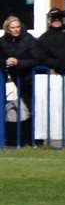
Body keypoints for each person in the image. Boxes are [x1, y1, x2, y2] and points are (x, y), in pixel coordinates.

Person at [0, 16, 38, 147]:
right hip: (11, 80)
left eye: (18, 27)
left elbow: (36, 59)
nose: (16, 30)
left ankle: (29, 140)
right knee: (10, 111)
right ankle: (11, 140)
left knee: (29, 109)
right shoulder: (2, 41)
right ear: (7, 29)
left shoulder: (29, 39)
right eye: (13, 28)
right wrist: (5, 62)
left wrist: (18, 62)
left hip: (28, 79)